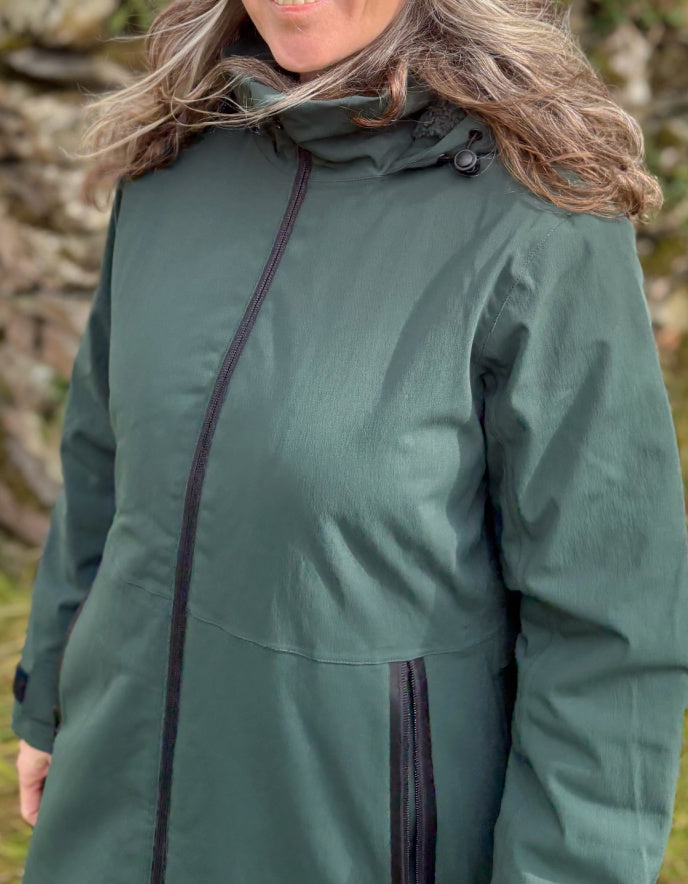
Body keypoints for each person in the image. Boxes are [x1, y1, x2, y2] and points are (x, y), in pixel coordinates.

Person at [11, 0, 688, 881]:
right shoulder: (170, 162)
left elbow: (610, 614)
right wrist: (53, 701)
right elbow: (105, 459)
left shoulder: (539, 215)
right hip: (109, 804)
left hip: (358, 840)